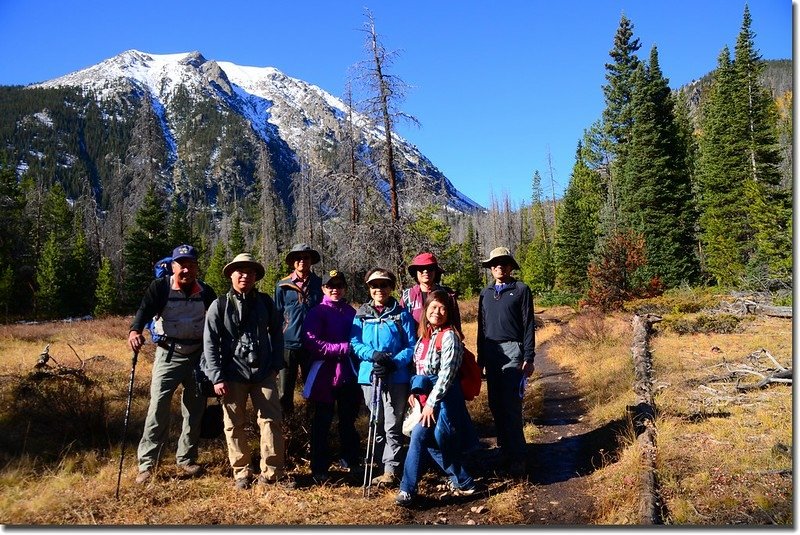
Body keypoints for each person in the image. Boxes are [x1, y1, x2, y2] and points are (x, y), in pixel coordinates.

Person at [202, 253, 294, 490]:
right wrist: (217, 376)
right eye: (240, 271)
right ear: (231, 275)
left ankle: (273, 473)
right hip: (232, 375)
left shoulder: (265, 302)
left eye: (250, 272)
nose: (245, 275)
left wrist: (275, 365)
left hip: (263, 372)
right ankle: (242, 472)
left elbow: (276, 333)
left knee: (271, 421)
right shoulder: (219, 305)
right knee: (233, 424)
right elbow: (209, 343)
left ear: (256, 277)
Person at [128, 244, 217, 485]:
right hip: (169, 354)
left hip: (198, 357)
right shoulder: (160, 287)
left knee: (195, 409)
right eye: (181, 264)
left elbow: (217, 321)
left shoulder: (206, 292)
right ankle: (147, 464)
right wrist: (135, 331)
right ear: (173, 266)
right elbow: (144, 310)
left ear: (196, 267)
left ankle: (186, 459)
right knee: (157, 407)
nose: (186, 269)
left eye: (190, 264)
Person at [395, 290, 479, 506]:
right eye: (433, 307)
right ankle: (462, 482)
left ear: (448, 312)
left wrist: (431, 402)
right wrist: (415, 391)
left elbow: (447, 374)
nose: (437, 312)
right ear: (426, 310)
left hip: (445, 396)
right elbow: (418, 368)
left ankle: (409, 489)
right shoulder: (424, 336)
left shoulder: (449, 336)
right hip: (426, 395)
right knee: (425, 439)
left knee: (438, 439)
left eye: (442, 308)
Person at [350, 268, 416, 487]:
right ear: (369, 288)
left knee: (392, 424)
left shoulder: (401, 314)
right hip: (369, 376)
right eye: (374, 285)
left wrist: (392, 362)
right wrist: (373, 356)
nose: (379, 289)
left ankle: (391, 469)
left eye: (384, 285)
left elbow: (411, 346)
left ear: (391, 287)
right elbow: (355, 343)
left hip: (396, 377)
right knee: (374, 421)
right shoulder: (361, 314)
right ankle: (379, 465)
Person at [476, 247, 535, 477]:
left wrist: (528, 356)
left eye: (503, 263)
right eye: (495, 263)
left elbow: (529, 324)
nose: (499, 266)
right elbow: (481, 328)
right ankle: (504, 450)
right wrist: (481, 358)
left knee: (511, 405)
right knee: (495, 404)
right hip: (491, 352)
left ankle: (518, 456)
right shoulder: (485, 293)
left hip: (513, 350)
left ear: (511, 266)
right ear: (490, 268)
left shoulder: (521, 290)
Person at [301, 269, 360, 483]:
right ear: (324, 288)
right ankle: (319, 467)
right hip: (324, 375)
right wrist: (342, 349)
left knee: (348, 421)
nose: (335, 289)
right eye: (331, 286)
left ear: (345, 288)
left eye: (339, 285)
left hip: (347, 373)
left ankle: (351, 461)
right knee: (322, 423)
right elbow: (312, 342)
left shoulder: (351, 312)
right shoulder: (317, 312)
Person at [275, 243, 323, 416]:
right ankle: (287, 428)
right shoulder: (282, 286)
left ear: (311, 261)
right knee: (284, 390)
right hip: (288, 344)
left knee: (313, 388)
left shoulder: (320, 284)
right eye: (298, 258)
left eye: (306, 257)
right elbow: (277, 315)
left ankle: (312, 425)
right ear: (293, 262)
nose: (302, 261)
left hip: (313, 345)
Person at [401, 252, 461, 331]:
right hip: (416, 342)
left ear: (435, 271)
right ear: (416, 272)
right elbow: (401, 326)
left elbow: (455, 325)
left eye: (430, 268)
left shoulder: (447, 295)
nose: (425, 271)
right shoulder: (408, 296)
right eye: (421, 268)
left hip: (442, 341)